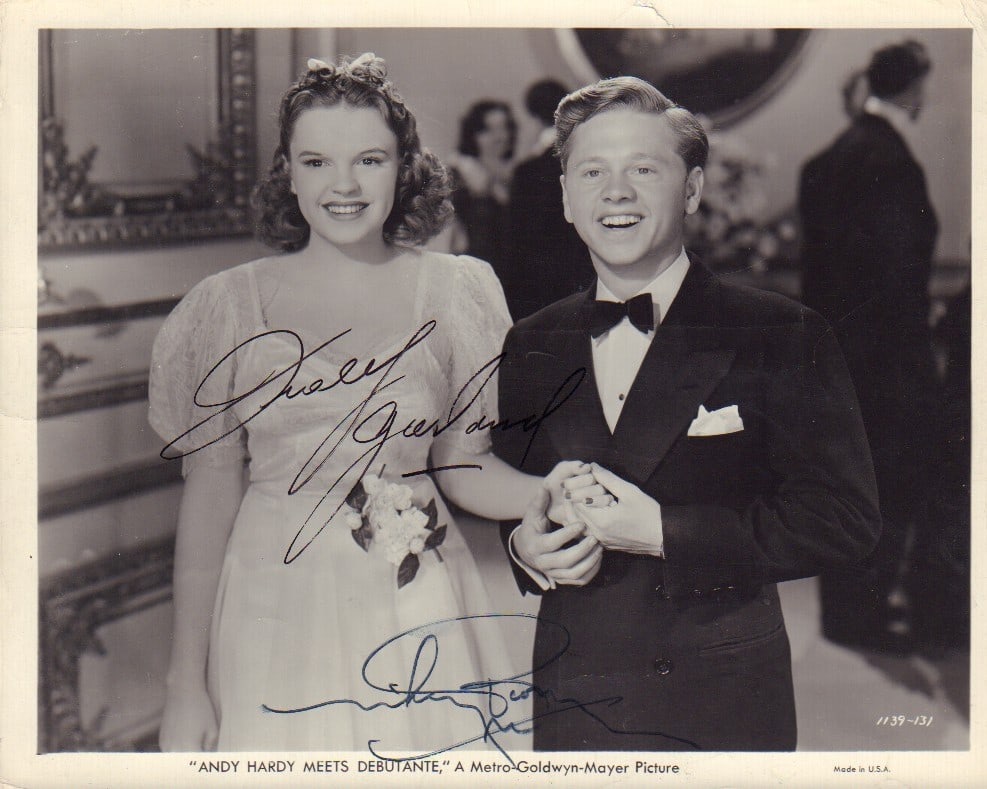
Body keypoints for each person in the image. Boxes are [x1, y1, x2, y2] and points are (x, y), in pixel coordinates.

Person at [148, 53, 589, 753]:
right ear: (286, 172)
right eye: (317, 162)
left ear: (403, 167)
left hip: (415, 603)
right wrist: (183, 684)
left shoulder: (456, 290)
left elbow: (462, 463)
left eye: (370, 160)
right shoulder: (224, 307)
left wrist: (548, 491)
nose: (344, 185)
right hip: (272, 608)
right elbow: (206, 509)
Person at [492, 76, 882, 751]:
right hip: (577, 692)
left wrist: (664, 531)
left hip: (719, 697)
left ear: (694, 189)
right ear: (564, 197)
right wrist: (526, 550)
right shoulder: (531, 341)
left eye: (643, 169)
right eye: (592, 171)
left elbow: (843, 521)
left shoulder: (781, 331)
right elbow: (522, 495)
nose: (615, 192)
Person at [798, 40, 941, 652]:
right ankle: (865, 615)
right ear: (912, 89)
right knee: (888, 481)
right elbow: (895, 274)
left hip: (832, 355)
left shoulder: (828, 159)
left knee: (843, 484)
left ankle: (844, 613)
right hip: (885, 358)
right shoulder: (890, 161)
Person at [506, 79, 594, 320]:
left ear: (533, 117)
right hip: (587, 277)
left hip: (542, 288)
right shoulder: (587, 161)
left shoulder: (529, 171)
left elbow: (521, 242)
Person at [447, 100, 516, 275]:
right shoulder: (460, 173)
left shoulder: (517, 174)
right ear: (473, 134)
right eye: (488, 130)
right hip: (472, 272)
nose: (498, 137)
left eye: (503, 128)